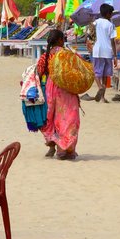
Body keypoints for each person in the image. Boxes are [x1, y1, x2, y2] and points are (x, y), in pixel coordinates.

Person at [36, 29, 80, 160]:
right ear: (60, 40)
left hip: (50, 88)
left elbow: (39, 73)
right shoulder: (66, 54)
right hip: (65, 89)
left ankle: (52, 146)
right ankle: (65, 149)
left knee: (51, 118)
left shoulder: (46, 56)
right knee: (68, 118)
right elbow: (77, 69)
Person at [87, 3, 117, 103]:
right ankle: (103, 97)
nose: (112, 15)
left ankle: (100, 87)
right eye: (111, 13)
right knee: (105, 75)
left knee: (96, 72)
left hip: (97, 50)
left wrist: (90, 46)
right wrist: (115, 55)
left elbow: (89, 36)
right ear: (108, 14)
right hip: (107, 52)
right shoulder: (111, 25)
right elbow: (113, 41)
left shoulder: (95, 23)